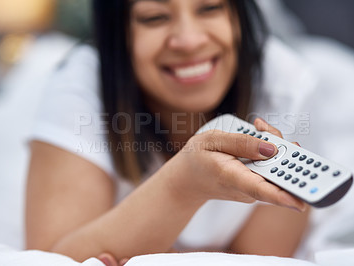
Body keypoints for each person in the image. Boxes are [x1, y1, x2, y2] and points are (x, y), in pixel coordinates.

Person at [25, 0, 309, 264]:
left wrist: (150, 255)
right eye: (155, 17)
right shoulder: (81, 86)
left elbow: (264, 257)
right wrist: (181, 185)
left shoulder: (282, 83)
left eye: (210, 8)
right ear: (116, 32)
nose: (189, 40)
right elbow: (52, 259)